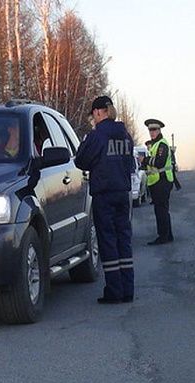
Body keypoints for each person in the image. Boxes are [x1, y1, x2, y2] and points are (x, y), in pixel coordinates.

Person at [75, 96, 135, 304]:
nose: (93, 118)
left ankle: (114, 291)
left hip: (104, 195)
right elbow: (130, 164)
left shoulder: (97, 136)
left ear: (99, 112)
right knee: (123, 240)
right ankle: (128, 290)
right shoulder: (125, 135)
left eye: (93, 114)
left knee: (108, 241)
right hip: (122, 193)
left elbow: (80, 160)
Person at [143, 118, 174, 245]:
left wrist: (145, 160)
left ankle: (163, 236)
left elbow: (159, 162)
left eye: (154, 129)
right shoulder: (154, 144)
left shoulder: (162, 144)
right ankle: (168, 235)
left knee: (161, 210)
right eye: (150, 130)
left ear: (159, 130)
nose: (152, 132)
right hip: (156, 181)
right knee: (162, 209)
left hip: (162, 180)